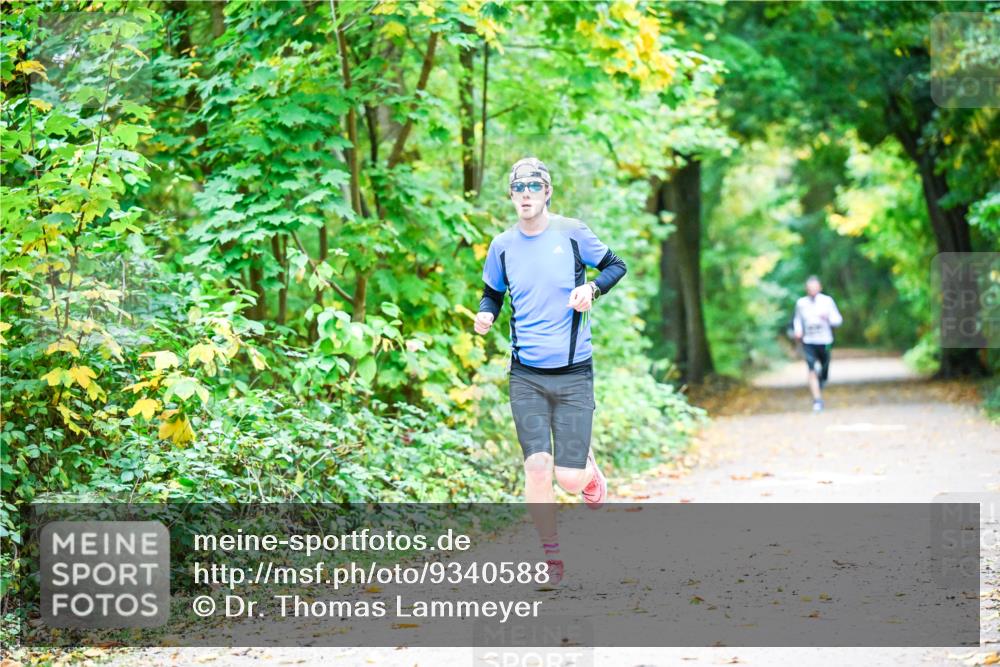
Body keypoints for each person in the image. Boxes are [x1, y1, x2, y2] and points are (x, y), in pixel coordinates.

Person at [473, 157, 627, 587]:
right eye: (518, 187)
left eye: (533, 186)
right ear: (510, 196)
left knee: (570, 480)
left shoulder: (572, 232)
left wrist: (592, 288)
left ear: (547, 192)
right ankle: (551, 558)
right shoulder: (502, 245)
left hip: (574, 370)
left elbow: (616, 265)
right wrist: (485, 316)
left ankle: (588, 469)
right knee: (537, 467)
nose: (525, 193)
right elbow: (492, 293)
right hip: (526, 373)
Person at [792, 276, 843, 412]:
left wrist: (829, 318)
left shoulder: (827, 301)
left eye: (815, 288)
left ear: (820, 288)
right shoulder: (801, 303)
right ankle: (817, 400)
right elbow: (797, 320)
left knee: (825, 367)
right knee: (812, 369)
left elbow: (838, 320)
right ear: (806, 289)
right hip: (808, 341)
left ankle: (823, 378)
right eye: (810, 288)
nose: (812, 290)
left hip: (825, 341)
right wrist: (798, 331)